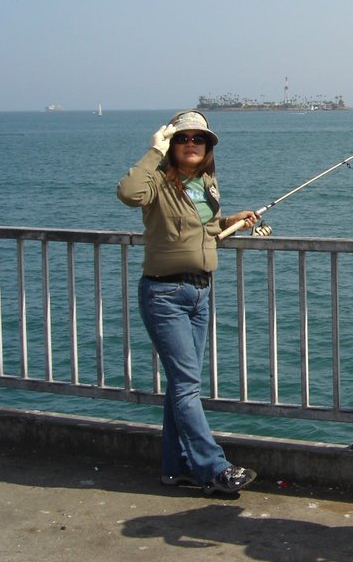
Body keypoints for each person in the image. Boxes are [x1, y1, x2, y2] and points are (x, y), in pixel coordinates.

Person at [117, 109, 260, 496]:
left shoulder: (206, 183)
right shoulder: (159, 182)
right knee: (186, 386)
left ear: (208, 146)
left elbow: (209, 230)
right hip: (164, 294)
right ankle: (215, 468)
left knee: (182, 387)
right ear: (171, 144)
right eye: (182, 138)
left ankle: (175, 467)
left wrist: (235, 218)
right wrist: (153, 150)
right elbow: (128, 193)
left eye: (199, 139)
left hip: (200, 291)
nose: (191, 144)